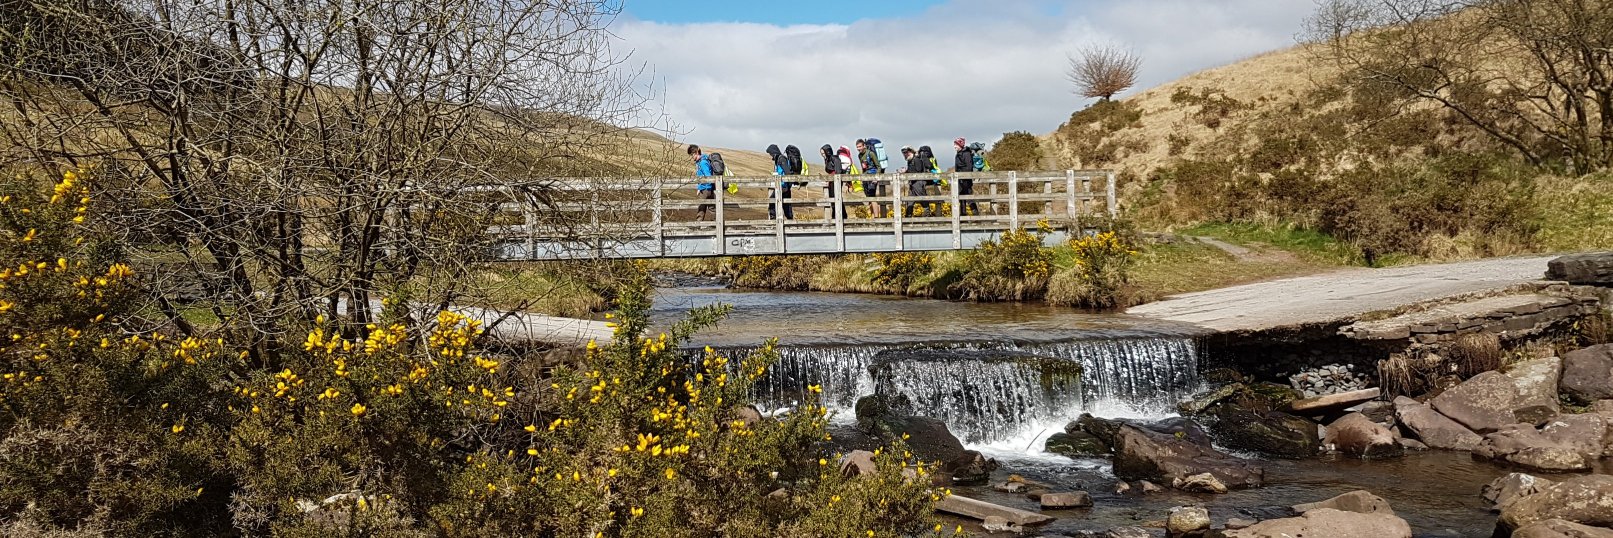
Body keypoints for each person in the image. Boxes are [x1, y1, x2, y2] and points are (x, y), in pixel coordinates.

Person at [855, 139, 884, 218]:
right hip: (865, 177)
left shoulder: (871, 154)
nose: (858, 149)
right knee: (868, 197)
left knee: (872, 196)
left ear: (864, 146)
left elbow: (878, 166)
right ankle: (872, 216)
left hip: (872, 176)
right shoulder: (859, 155)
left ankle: (876, 217)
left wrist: (876, 178)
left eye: (860, 146)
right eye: (857, 147)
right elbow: (863, 167)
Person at [765, 144, 794, 220]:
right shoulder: (779, 159)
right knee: (786, 205)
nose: (771, 155)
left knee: (772, 201)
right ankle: (790, 221)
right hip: (783, 185)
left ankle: (774, 218)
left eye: (771, 153)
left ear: (774, 152)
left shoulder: (781, 159)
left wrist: (787, 184)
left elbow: (787, 172)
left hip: (783, 186)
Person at [687, 144, 715, 221]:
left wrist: (705, 188)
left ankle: (698, 225)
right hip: (707, 188)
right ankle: (714, 225)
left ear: (696, 153)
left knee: (701, 207)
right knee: (712, 208)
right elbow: (702, 177)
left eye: (692, 155)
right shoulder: (702, 162)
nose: (691, 157)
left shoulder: (702, 163)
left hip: (705, 188)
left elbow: (708, 176)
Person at [901, 146, 929, 217]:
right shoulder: (910, 160)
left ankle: (927, 215)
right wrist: (906, 171)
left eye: (906, 152)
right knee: (910, 200)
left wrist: (906, 171)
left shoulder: (916, 159)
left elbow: (918, 170)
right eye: (903, 153)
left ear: (910, 152)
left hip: (918, 182)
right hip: (913, 182)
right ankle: (908, 216)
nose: (904, 154)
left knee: (921, 197)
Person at [953, 138, 978, 216]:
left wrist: (963, 176)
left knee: (968, 197)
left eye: (956, 145)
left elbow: (969, 167)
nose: (954, 146)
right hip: (960, 179)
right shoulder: (958, 154)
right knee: (961, 197)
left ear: (960, 145)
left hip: (965, 180)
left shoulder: (966, 154)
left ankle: (975, 214)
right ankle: (963, 215)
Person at [819, 144, 842, 219]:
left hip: (835, 181)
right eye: (821, 154)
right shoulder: (827, 159)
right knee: (833, 198)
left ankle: (839, 217)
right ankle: (836, 216)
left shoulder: (834, 159)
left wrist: (834, 179)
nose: (822, 155)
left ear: (827, 152)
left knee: (836, 198)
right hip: (832, 181)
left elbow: (838, 171)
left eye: (823, 153)